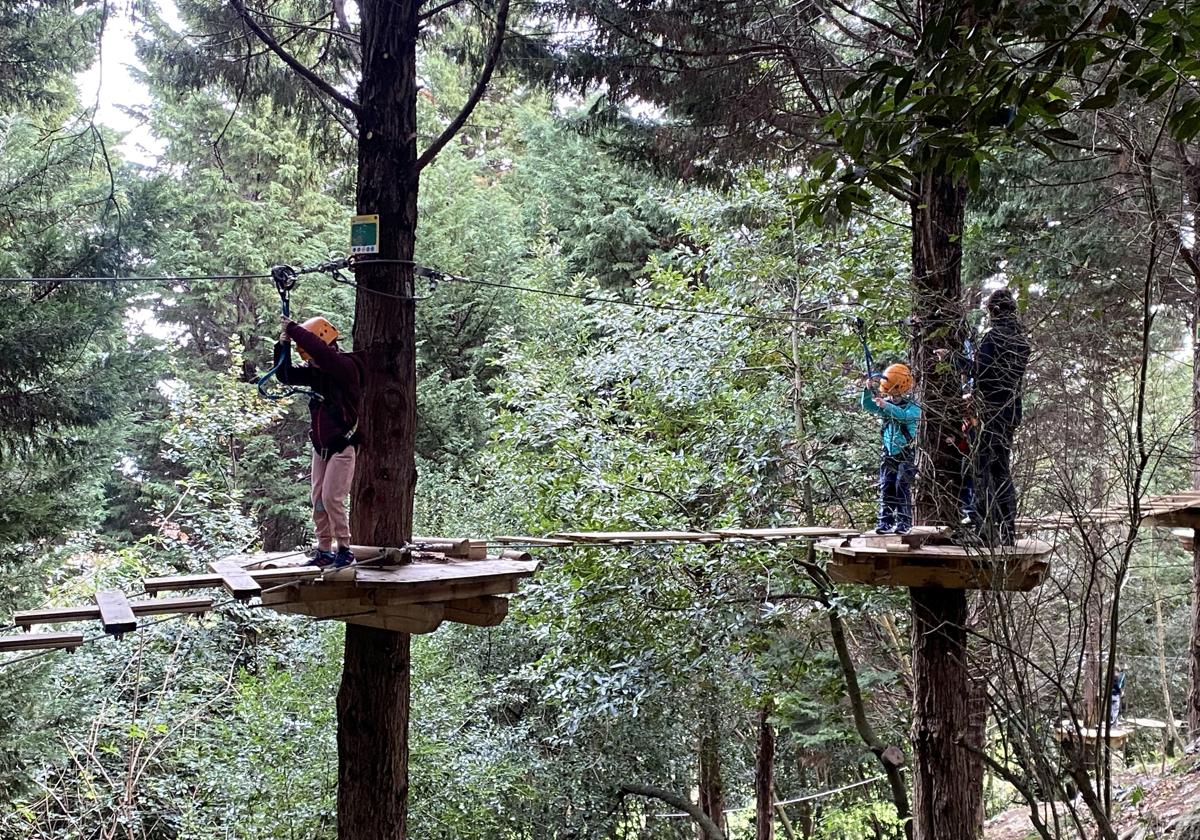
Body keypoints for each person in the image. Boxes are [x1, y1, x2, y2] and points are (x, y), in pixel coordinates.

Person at [937, 289, 1031, 545]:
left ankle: (985, 531)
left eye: (990, 312)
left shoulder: (994, 338)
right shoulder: (1021, 341)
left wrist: (953, 358)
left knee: (981, 469)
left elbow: (982, 371)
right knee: (1001, 469)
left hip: (991, 412)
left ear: (995, 312)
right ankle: (1006, 530)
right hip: (1011, 411)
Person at [274, 314, 365, 568]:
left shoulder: (344, 367)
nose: (311, 361)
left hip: (342, 446)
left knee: (332, 497)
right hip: (321, 447)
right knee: (318, 499)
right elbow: (285, 375)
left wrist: (292, 328)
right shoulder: (318, 371)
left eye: (311, 355)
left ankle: (344, 549)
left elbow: (323, 355)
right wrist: (281, 346)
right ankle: (324, 549)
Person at [859, 363, 920, 534]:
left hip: (907, 453)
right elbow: (868, 406)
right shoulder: (886, 404)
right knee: (887, 485)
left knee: (902, 484)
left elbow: (904, 417)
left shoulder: (913, 408)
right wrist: (867, 389)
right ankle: (885, 521)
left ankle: (904, 522)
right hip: (889, 453)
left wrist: (886, 406)